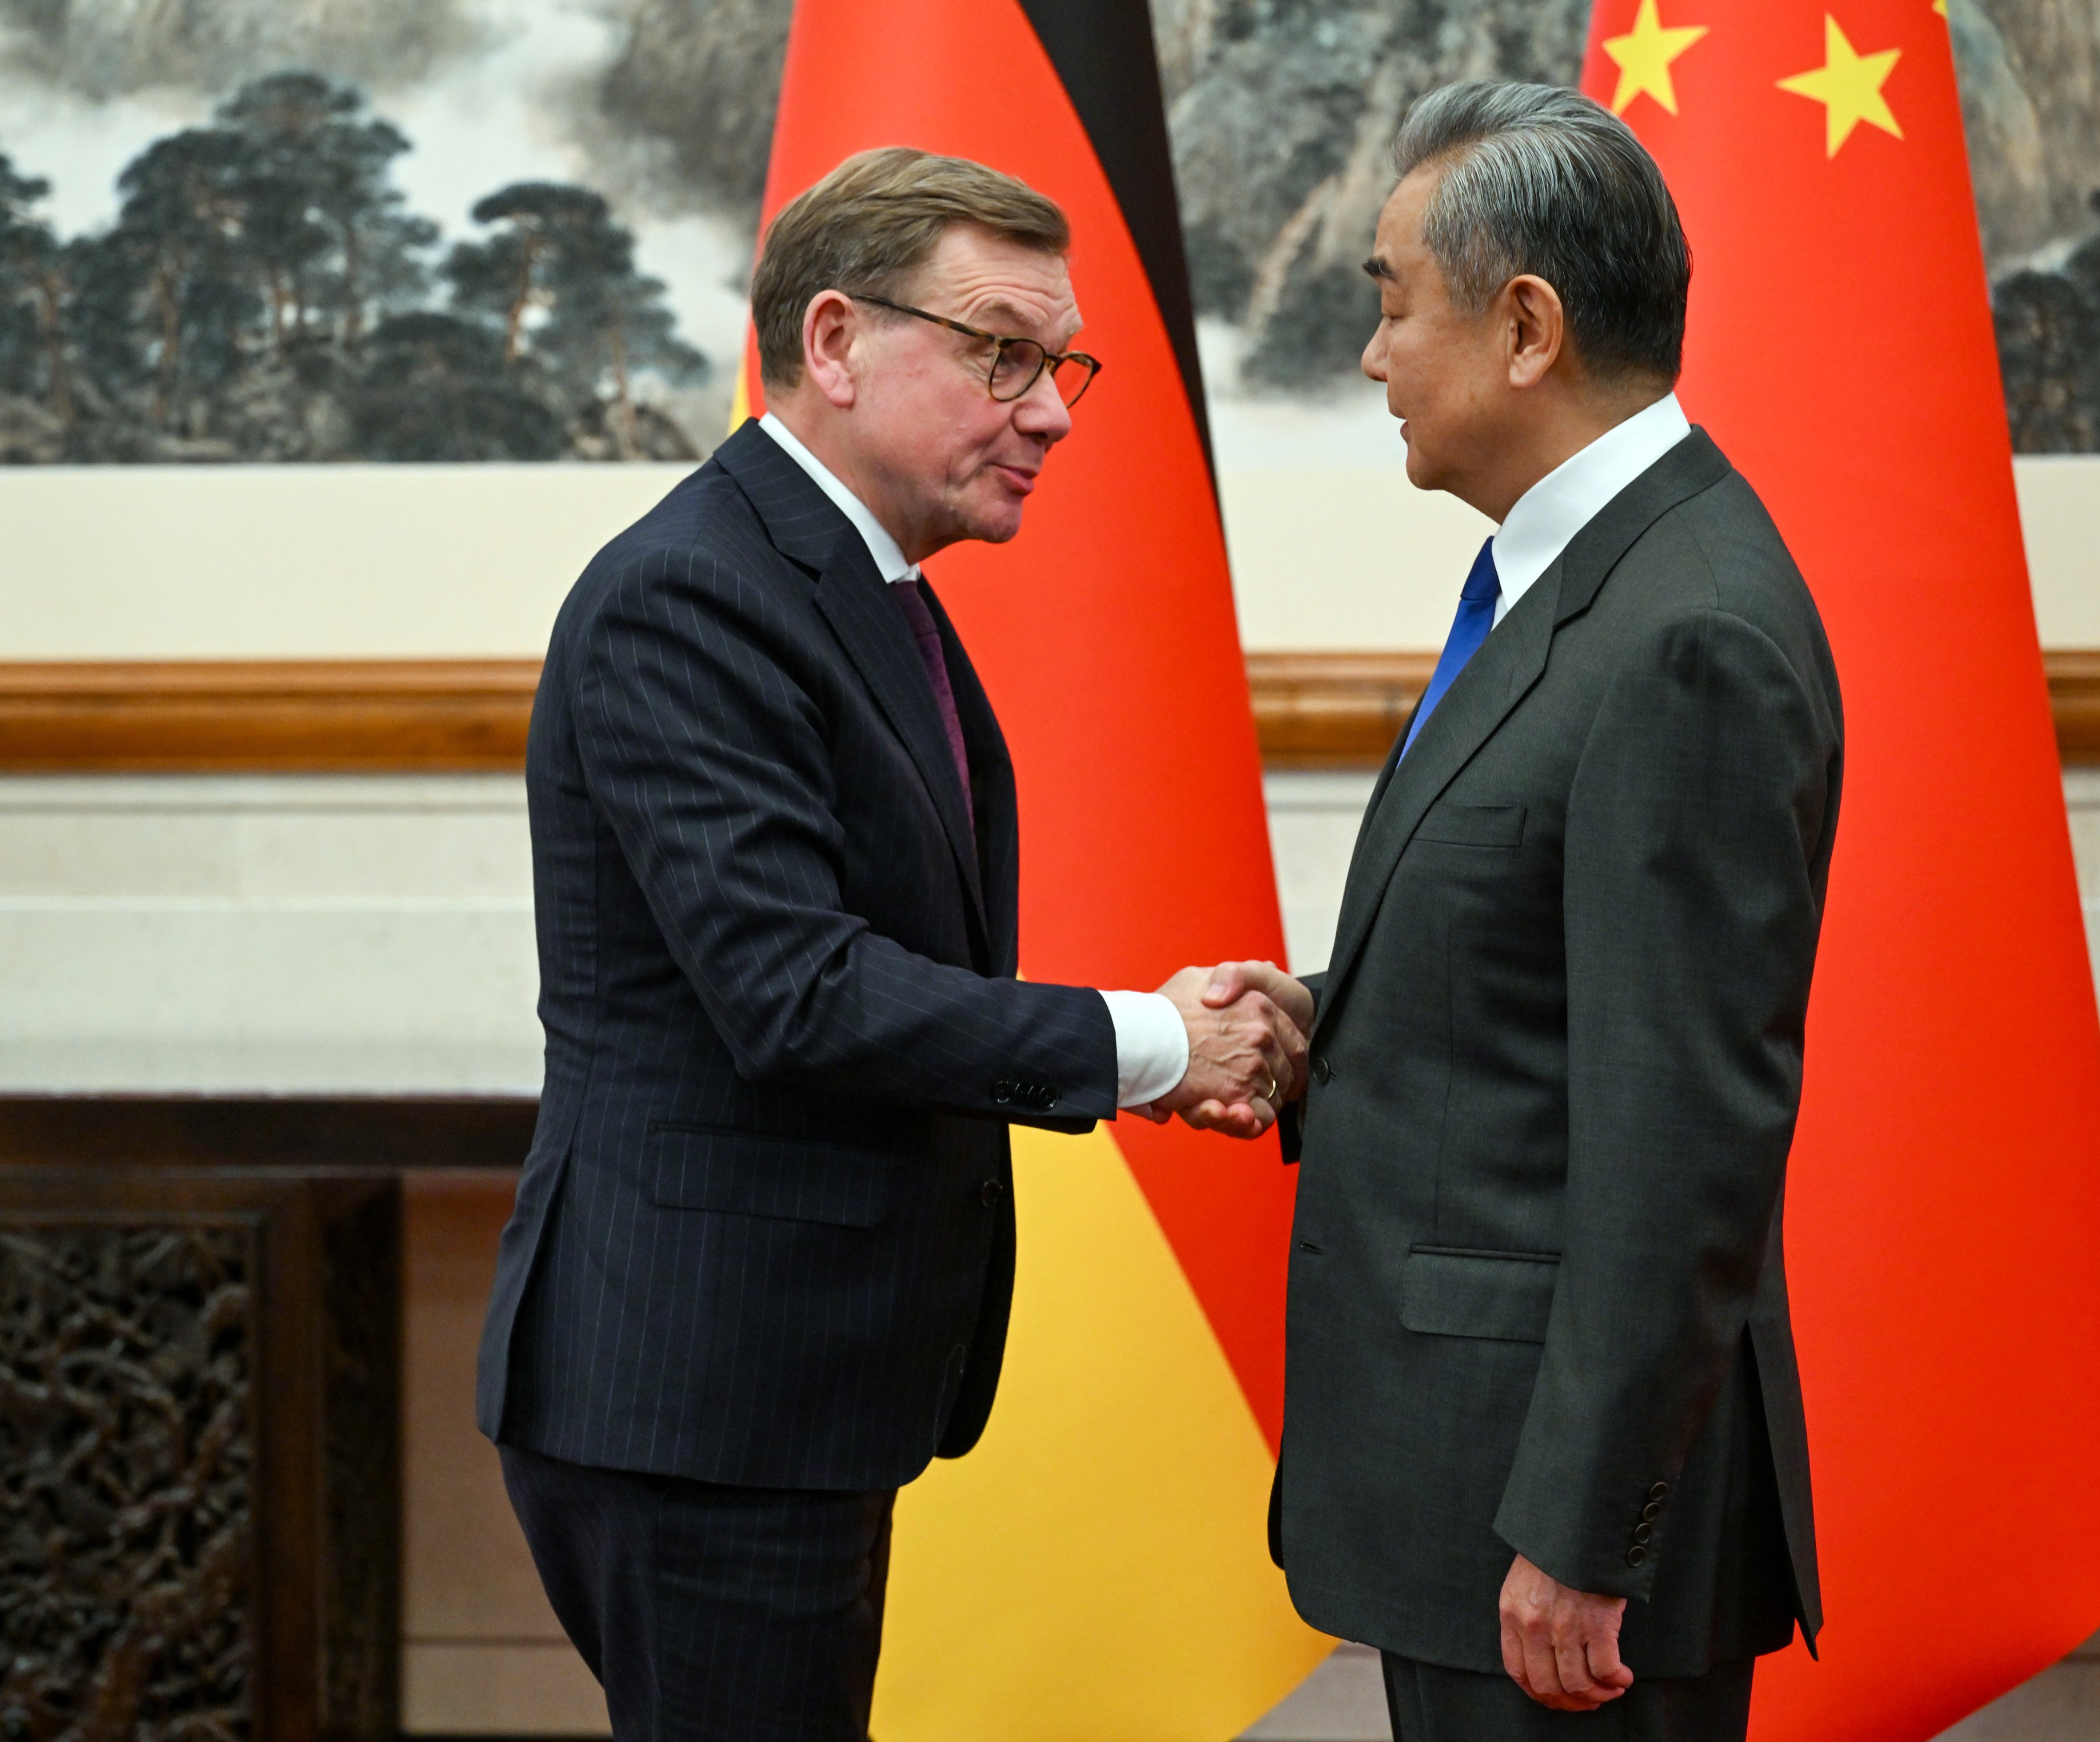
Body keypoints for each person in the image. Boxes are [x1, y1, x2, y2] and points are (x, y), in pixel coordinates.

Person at [474, 146, 1300, 1742]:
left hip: (788, 1386)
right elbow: (797, 994)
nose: (1052, 409)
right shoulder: (691, 596)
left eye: (1061, 365)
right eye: (1003, 353)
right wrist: (1151, 1047)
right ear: (837, 341)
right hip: (703, 1398)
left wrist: (1162, 1033)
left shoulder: (869, 586)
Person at [1253, 81, 1843, 1742]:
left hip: (1555, 1550)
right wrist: (1322, 1023)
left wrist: (1587, 1535)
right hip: (1475, 1495)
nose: (1372, 357)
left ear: (1526, 326)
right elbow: (1539, 979)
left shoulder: (1686, 632)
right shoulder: (1582, 581)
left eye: (1388, 301)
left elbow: (1683, 1129)